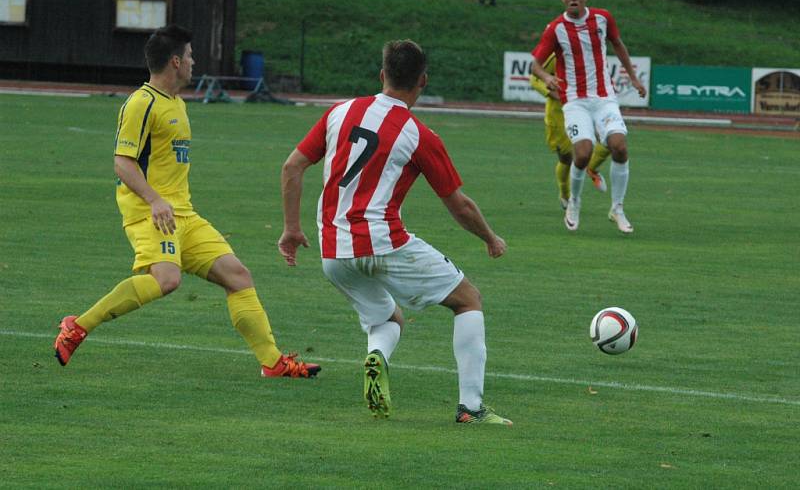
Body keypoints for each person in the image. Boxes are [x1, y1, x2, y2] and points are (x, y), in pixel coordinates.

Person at [53, 25, 320, 379]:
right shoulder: (141, 103)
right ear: (175, 61)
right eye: (191, 56)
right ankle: (78, 326)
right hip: (150, 214)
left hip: (183, 215)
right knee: (167, 279)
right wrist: (153, 200)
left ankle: (272, 362)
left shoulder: (177, 103)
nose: (194, 63)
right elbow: (122, 161)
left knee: (238, 276)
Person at [279, 39, 511, 425]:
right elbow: (460, 205)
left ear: (382, 75)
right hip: (384, 242)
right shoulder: (419, 134)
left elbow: (291, 167)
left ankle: (378, 359)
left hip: (334, 253)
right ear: (423, 80)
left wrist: (290, 228)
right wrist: (490, 237)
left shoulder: (340, 112)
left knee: (388, 320)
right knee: (468, 299)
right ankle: (471, 408)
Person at [531, 0, 646, 233]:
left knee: (620, 146)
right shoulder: (556, 28)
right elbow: (535, 65)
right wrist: (547, 76)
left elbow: (618, 44)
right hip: (575, 102)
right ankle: (574, 202)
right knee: (581, 154)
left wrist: (635, 78)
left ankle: (617, 208)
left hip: (604, 98)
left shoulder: (603, 18)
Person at [530, 52, 611, 210]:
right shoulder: (557, 54)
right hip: (560, 114)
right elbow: (534, 79)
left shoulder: (594, 53)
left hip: (589, 107)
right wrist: (555, 94)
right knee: (566, 158)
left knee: (610, 138)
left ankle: (592, 168)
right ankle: (565, 194)